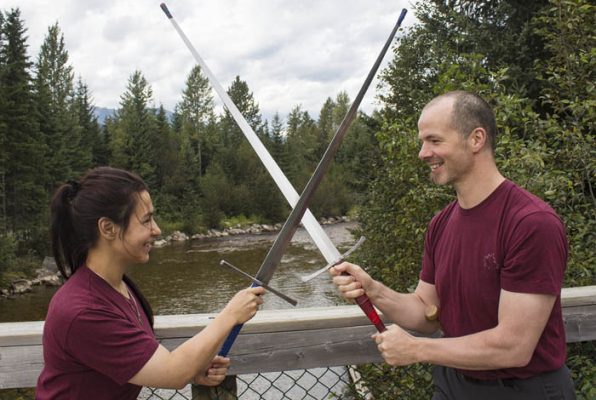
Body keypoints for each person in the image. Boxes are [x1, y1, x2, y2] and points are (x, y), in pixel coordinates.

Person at [330, 91, 576, 399]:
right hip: (453, 385)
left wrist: (417, 349)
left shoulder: (530, 223)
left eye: (434, 140)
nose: (422, 153)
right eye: (422, 142)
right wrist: (373, 290)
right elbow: (426, 313)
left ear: (476, 139)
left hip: (522, 389)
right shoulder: (441, 224)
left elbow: (514, 347)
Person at [36, 166, 265, 399]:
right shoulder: (83, 310)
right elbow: (172, 373)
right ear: (107, 228)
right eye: (146, 220)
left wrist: (194, 369)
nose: (156, 230)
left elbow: (137, 364)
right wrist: (230, 315)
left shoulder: (119, 287)